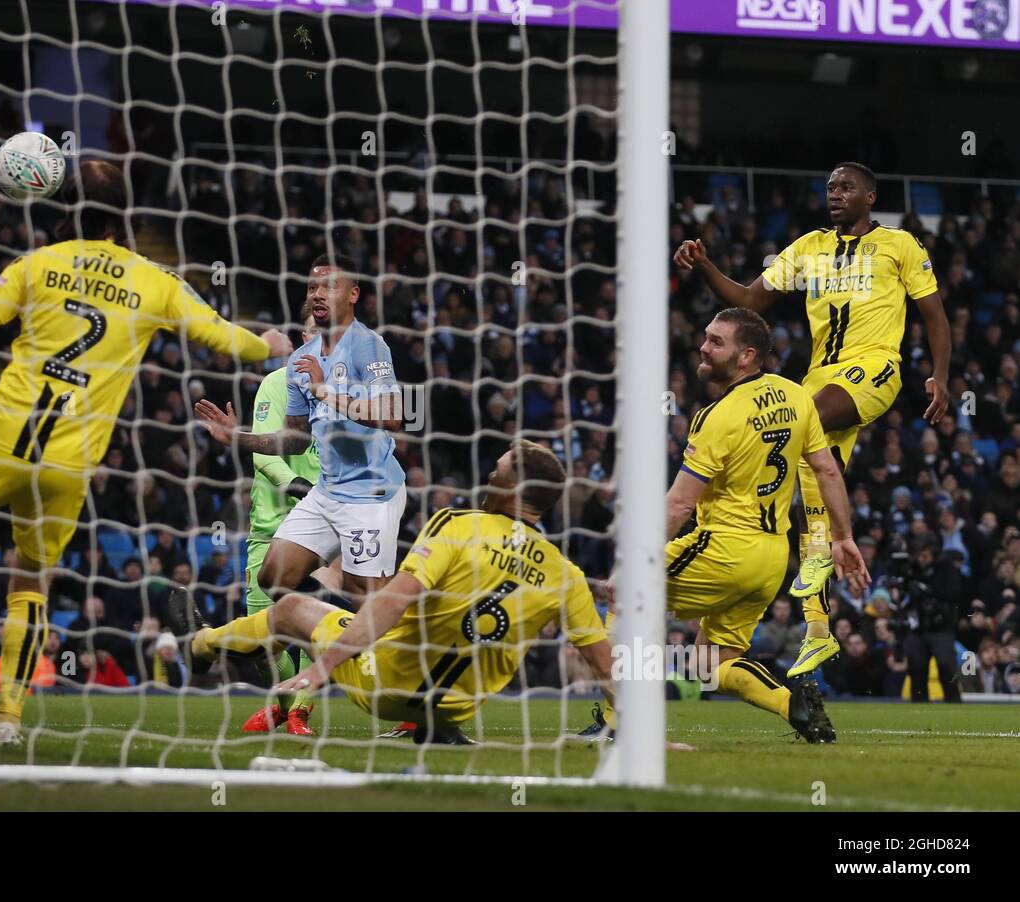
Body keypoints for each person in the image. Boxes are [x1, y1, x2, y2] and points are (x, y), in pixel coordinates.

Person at [0, 160, 291, 745]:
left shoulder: (35, 265)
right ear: (126, 215)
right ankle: (8, 723)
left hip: (0, 438)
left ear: (66, 209)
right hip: (69, 466)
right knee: (31, 583)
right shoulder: (154, 280)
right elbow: (228, 339)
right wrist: (268, 342)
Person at [675, 162, 949, 679]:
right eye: (830, 188)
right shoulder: (808, 248)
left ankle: (813, 558)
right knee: (813, 481)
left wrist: (940, 375)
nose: (835, 194)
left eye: (846, 187)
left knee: (801, 424)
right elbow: (750, 301)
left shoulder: (901, 246)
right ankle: (819, 630)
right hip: (819, 376)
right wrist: (706, 266)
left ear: (871, 196)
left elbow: (934, 313)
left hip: (875, 367)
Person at [168, 439, 614, 745]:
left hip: (385, 687)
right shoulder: (565, 573)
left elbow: (391, 604)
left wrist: (322, 670)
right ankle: (436, 730)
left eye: (499, 467)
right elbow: (602, 663)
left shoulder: (456, 525)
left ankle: (203, 645)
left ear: (513, 485)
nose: (491, 471)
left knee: (289, 608)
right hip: (456, 710)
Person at [595, 309, 870, 743]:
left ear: (747, 356)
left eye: (716, 342)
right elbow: (827, 470)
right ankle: (791, 703)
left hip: (724, 546)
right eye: (706, 338)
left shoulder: (716, 417)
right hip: (772, 560)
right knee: (710, 665)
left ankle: (621, 724)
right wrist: (844, 537)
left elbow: (679, 504)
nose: (703, 348)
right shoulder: (796, 396)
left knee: (623, 594)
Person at [194, 254, 405, 611]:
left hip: (371, 493)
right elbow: (296, 437)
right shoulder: (299, 360)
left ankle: (372, 645)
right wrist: (238, 438)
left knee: (367, 603)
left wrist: (325, 392)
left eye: (329, 287)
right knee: (273, 577)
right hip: (327, 490)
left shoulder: (368, 345)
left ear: (353, 294)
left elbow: (394, 415)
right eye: (312, 288)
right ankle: (335, 623)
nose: (318, 294)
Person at [236, 310, 328, 735]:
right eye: (313, 333)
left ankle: (298, 712)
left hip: (325, 525)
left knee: (314, 623)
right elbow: (263, 453)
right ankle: (281, 703)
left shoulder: (348, 391)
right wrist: (296, 484)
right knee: (261, 625)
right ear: (302, 338)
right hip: (271, 520)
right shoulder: (274, 385)